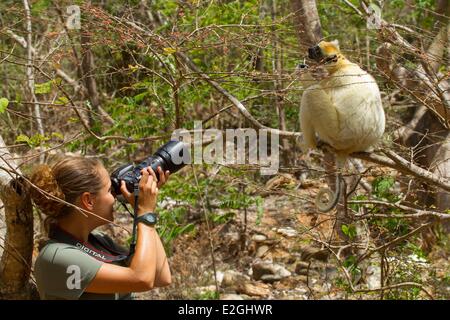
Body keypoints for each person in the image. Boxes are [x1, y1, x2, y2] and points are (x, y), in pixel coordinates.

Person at [29, 156, 172, 300]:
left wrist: (141, 208)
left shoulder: (98, 241)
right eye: (110, 190)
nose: (115, 197)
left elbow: (160, 276)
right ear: (88, 200)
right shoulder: (55, 257)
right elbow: (142, 279)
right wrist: (145, 213)